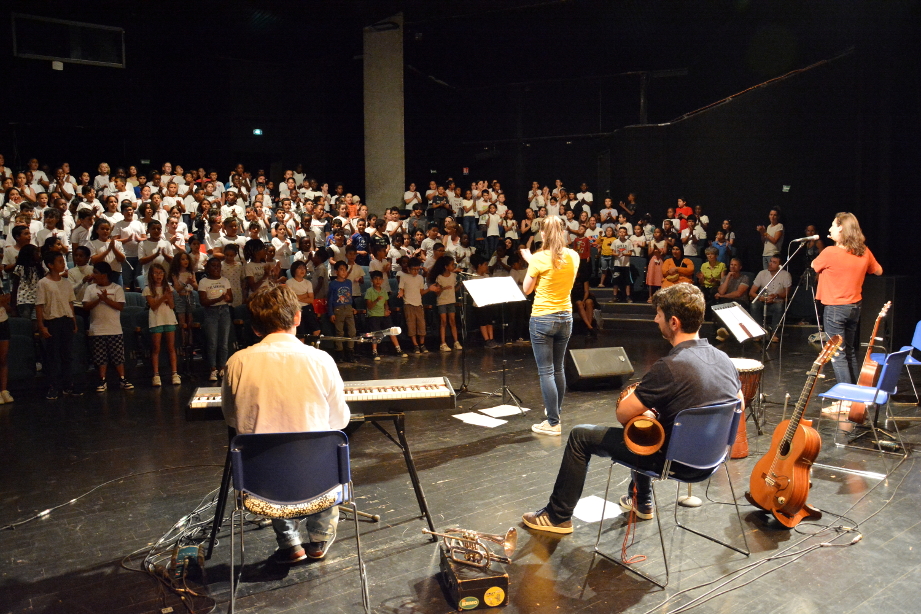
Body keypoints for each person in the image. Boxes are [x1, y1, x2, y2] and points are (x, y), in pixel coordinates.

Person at [521, 284, 744, 533]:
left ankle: (557, 516)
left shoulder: (670, 367)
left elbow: (623, 414)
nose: (654, 319)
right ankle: (641, 500)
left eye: (658, 314)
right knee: (649, 422)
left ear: (673, 322)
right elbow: (738, 406)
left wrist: (649, 410)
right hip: (713, 460)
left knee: (581, 435)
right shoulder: (725, 360)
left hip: (674, 462)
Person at [222, 284, 350, 564]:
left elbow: (233, 420)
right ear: (297, 317)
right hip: (318, 483)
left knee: (266, 446)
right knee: (328, 447)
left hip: (261, 490)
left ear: (255, 328)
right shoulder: (321, 360)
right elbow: (339, 421)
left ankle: (290, 543)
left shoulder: (237, 362)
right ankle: (318, 540)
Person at [519, 216, 579, 436]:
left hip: (543, 318)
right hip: (566, 317)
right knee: (558, 368)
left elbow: (527, 289)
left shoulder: (537, 257)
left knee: (546, 372)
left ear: (542, 234)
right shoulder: (574, 255)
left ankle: (553, 423)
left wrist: (530, 260)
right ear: (563, 233)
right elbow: (561, 273)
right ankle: (555, 411)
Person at [812, 213, 883, 386]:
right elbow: (878, 271)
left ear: (841, 228)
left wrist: (836, 245)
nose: (829, 229)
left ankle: (846, 399)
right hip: (854, 307)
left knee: (838, 354)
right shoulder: (864, 251)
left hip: (835, 309)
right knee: (849, 351)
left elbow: (814, 265)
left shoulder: (830, 251)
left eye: (832, 226)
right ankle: (853, 393)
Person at [36, 252, 79, 399]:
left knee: (67, 355)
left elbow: (70, 303)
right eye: (60, 262)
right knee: (53, 356)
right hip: (52, 321)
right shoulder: (43, 283)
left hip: (66, 320)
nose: (63, 264)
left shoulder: (66, 282)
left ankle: (68, 384)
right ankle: (53, 386)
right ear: (50, 265)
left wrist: (73, 321)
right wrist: (41, 326)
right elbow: (40, 306)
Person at [144, 263, 180, 386]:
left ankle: (174, 373)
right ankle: (156, 375)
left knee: (171, 347)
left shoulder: (169, 287)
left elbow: (172, 305)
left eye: (161, 273)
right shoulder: (148, 289)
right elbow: (153, 306)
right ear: (151, 275)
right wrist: (162, 298)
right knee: (156, 348)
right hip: (156, 319)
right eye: (155, 273)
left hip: (168, 318)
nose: (158, 276)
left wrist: (167, 297)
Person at [749, 255, 792, 342]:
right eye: (770, 261)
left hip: (776, 301)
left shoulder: (785, 275)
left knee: (779, 306)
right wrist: (761, 298)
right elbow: (752, 292)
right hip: (762, 300)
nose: (770, 264)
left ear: (780, 265)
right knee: (754, 305)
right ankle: (759, 332)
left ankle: (774, 333)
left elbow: (787, 293)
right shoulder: (762, 273)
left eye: (774, 262)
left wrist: (776, 295)